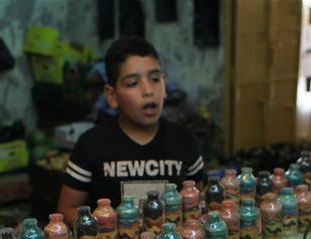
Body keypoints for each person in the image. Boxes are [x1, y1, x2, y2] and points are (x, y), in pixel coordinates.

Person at [57, 35, 204, 223]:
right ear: (112, 95)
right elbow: (67, 208)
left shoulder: (184, 141)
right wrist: (103, 229)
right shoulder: (91, 144)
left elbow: (197, 203)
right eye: (133, 83)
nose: (148, 90)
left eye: (155, 79)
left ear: (165, 86)